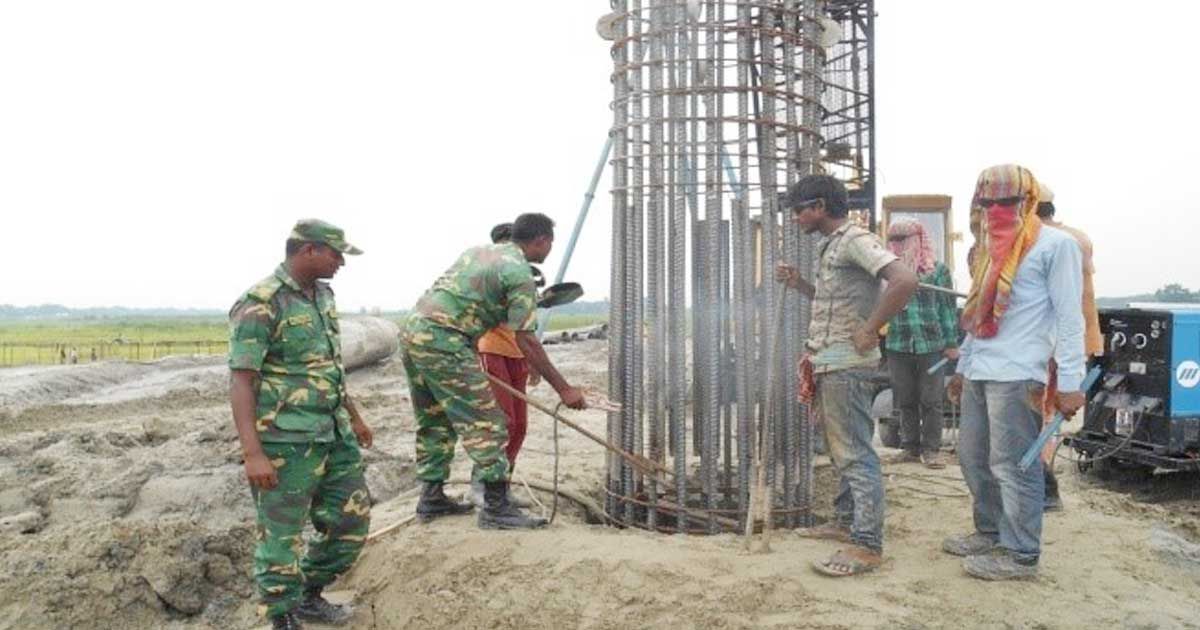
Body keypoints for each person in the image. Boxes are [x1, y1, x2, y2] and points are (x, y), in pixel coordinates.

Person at [228, 219, 374, 629]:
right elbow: (242, 381)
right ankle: (282, 615)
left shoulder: (323, 296)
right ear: (308, 250)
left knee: (351, 518)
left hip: (333, 433)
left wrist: (355, 417)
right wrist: (252, 452)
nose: (341, 262)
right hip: (285, 440)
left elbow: (328, 366)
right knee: (281, 534)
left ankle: (308, 594)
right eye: (335, 253)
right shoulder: (260, 302)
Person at [401, 212, 586, 530]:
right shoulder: (520, 273)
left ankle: (431, 498)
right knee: (489, 423)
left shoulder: (478, 252)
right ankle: (496, 508)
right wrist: (565, 390)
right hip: (446, 340)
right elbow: (526, 339)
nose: (548, 251)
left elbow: (464, 300)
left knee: (434, 418)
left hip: (413, 331)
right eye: (549, 244)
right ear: (541, 241)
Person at [945, 165, 1085, 581]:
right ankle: (989, 531)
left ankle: (1022, 554)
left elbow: (1069, 317)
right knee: (972, 458)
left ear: (1028, 202)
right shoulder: (993, 249)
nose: (995, 210)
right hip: (982, 369)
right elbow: (978, 316)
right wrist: (962, 367)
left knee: (1013, 465)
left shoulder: (1057, 246)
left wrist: (1073, 385)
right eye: (986, 203)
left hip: (1020, 371)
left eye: (1005, 202)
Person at [776, 174, 918, 577]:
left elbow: (905, 280)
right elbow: (834, 300)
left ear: (819, 207)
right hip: (830, 360)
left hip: (846, 364)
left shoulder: (855, 239)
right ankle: (845, 521)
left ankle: (868, 544)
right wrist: (799, 283)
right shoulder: (833, 245)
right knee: (843, 449)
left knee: (855, 452)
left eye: (799, 210)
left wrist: (872, 327)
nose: (796, 218)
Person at [1035, 183, 1102, 512]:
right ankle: (1044, 485)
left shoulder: (1057, 242)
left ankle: (1046, 486)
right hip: (1073, 342)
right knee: (1047, 414)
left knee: (1043, 412)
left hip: (1058, 345)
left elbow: (1065, 308)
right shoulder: (1075, 237)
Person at [470, 222, 539, 508]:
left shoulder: (520, 274)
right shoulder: (488, 273)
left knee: (520, 425)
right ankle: (482, 487)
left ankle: (503, 486)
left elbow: (525, 326)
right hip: (492, 350)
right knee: (502, 423)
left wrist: (533, 362)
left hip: (516, 353)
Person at [883, 219, 959, 469]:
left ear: (917, 239)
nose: (898, 244)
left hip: (931, 344)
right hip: (898, 342)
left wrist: (951, 342)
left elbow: (947, 308)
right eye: (894, 239)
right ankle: (910, 448)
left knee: (931, 399)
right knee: (904, 398)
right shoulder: (887, 272)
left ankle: (931, 450)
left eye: (903, 239)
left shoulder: (937, 271)